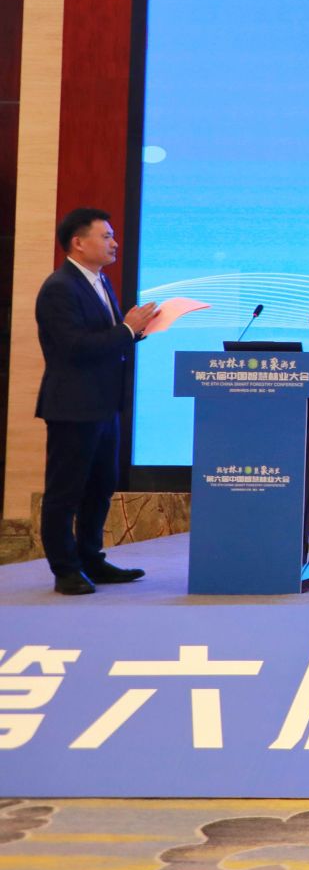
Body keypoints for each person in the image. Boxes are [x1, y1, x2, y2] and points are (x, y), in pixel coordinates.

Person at [36, 207, 159, 595]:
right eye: (105, 236)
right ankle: (65, 570)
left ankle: (91, 559)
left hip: (104, 406)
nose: (114, 243)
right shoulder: (60, 287)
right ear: (78, 242)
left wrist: (135, 331)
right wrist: (126, 330)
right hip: (73, 407)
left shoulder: (99, 281)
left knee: (100, 486)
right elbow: (73, 347)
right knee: (66, 491)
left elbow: (103, 340)